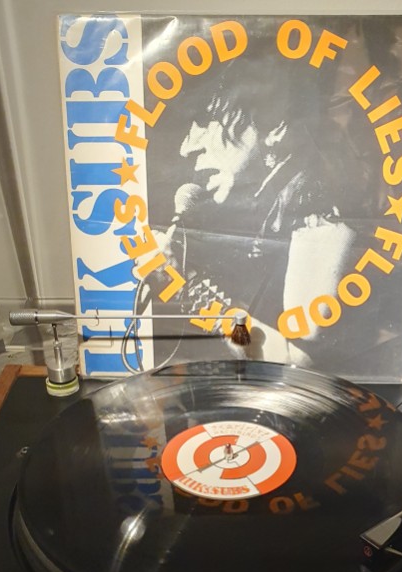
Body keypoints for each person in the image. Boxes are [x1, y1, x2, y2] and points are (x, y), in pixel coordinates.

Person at [143, 50, 365, 367]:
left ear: (276, 129)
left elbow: (294, 362)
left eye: (211, 120)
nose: (188, 146)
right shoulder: (247, 205)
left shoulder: (320, 217)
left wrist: (187, 288)